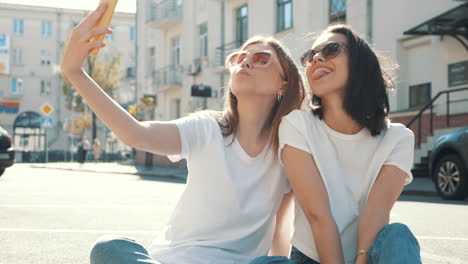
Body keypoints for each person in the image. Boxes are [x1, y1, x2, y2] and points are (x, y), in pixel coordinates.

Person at [60, 3, 305, 264]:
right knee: (109, 247)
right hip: (175, 259)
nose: (244, 60)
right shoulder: (207, 128)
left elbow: (281, 227)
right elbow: (136, 134)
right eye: (238, 57)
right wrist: (74, 72)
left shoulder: (288, 148)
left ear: (283, 82)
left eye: (261, 58)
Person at [253, 24, 421, 264]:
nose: (316, 59)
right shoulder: (297, 125)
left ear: (360, 63)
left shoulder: (398, 138)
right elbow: (318, 215)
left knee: (398, 235)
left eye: (331, 49)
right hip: (312, 257)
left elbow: (376, 212)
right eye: (309, 56)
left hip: (367, 256)